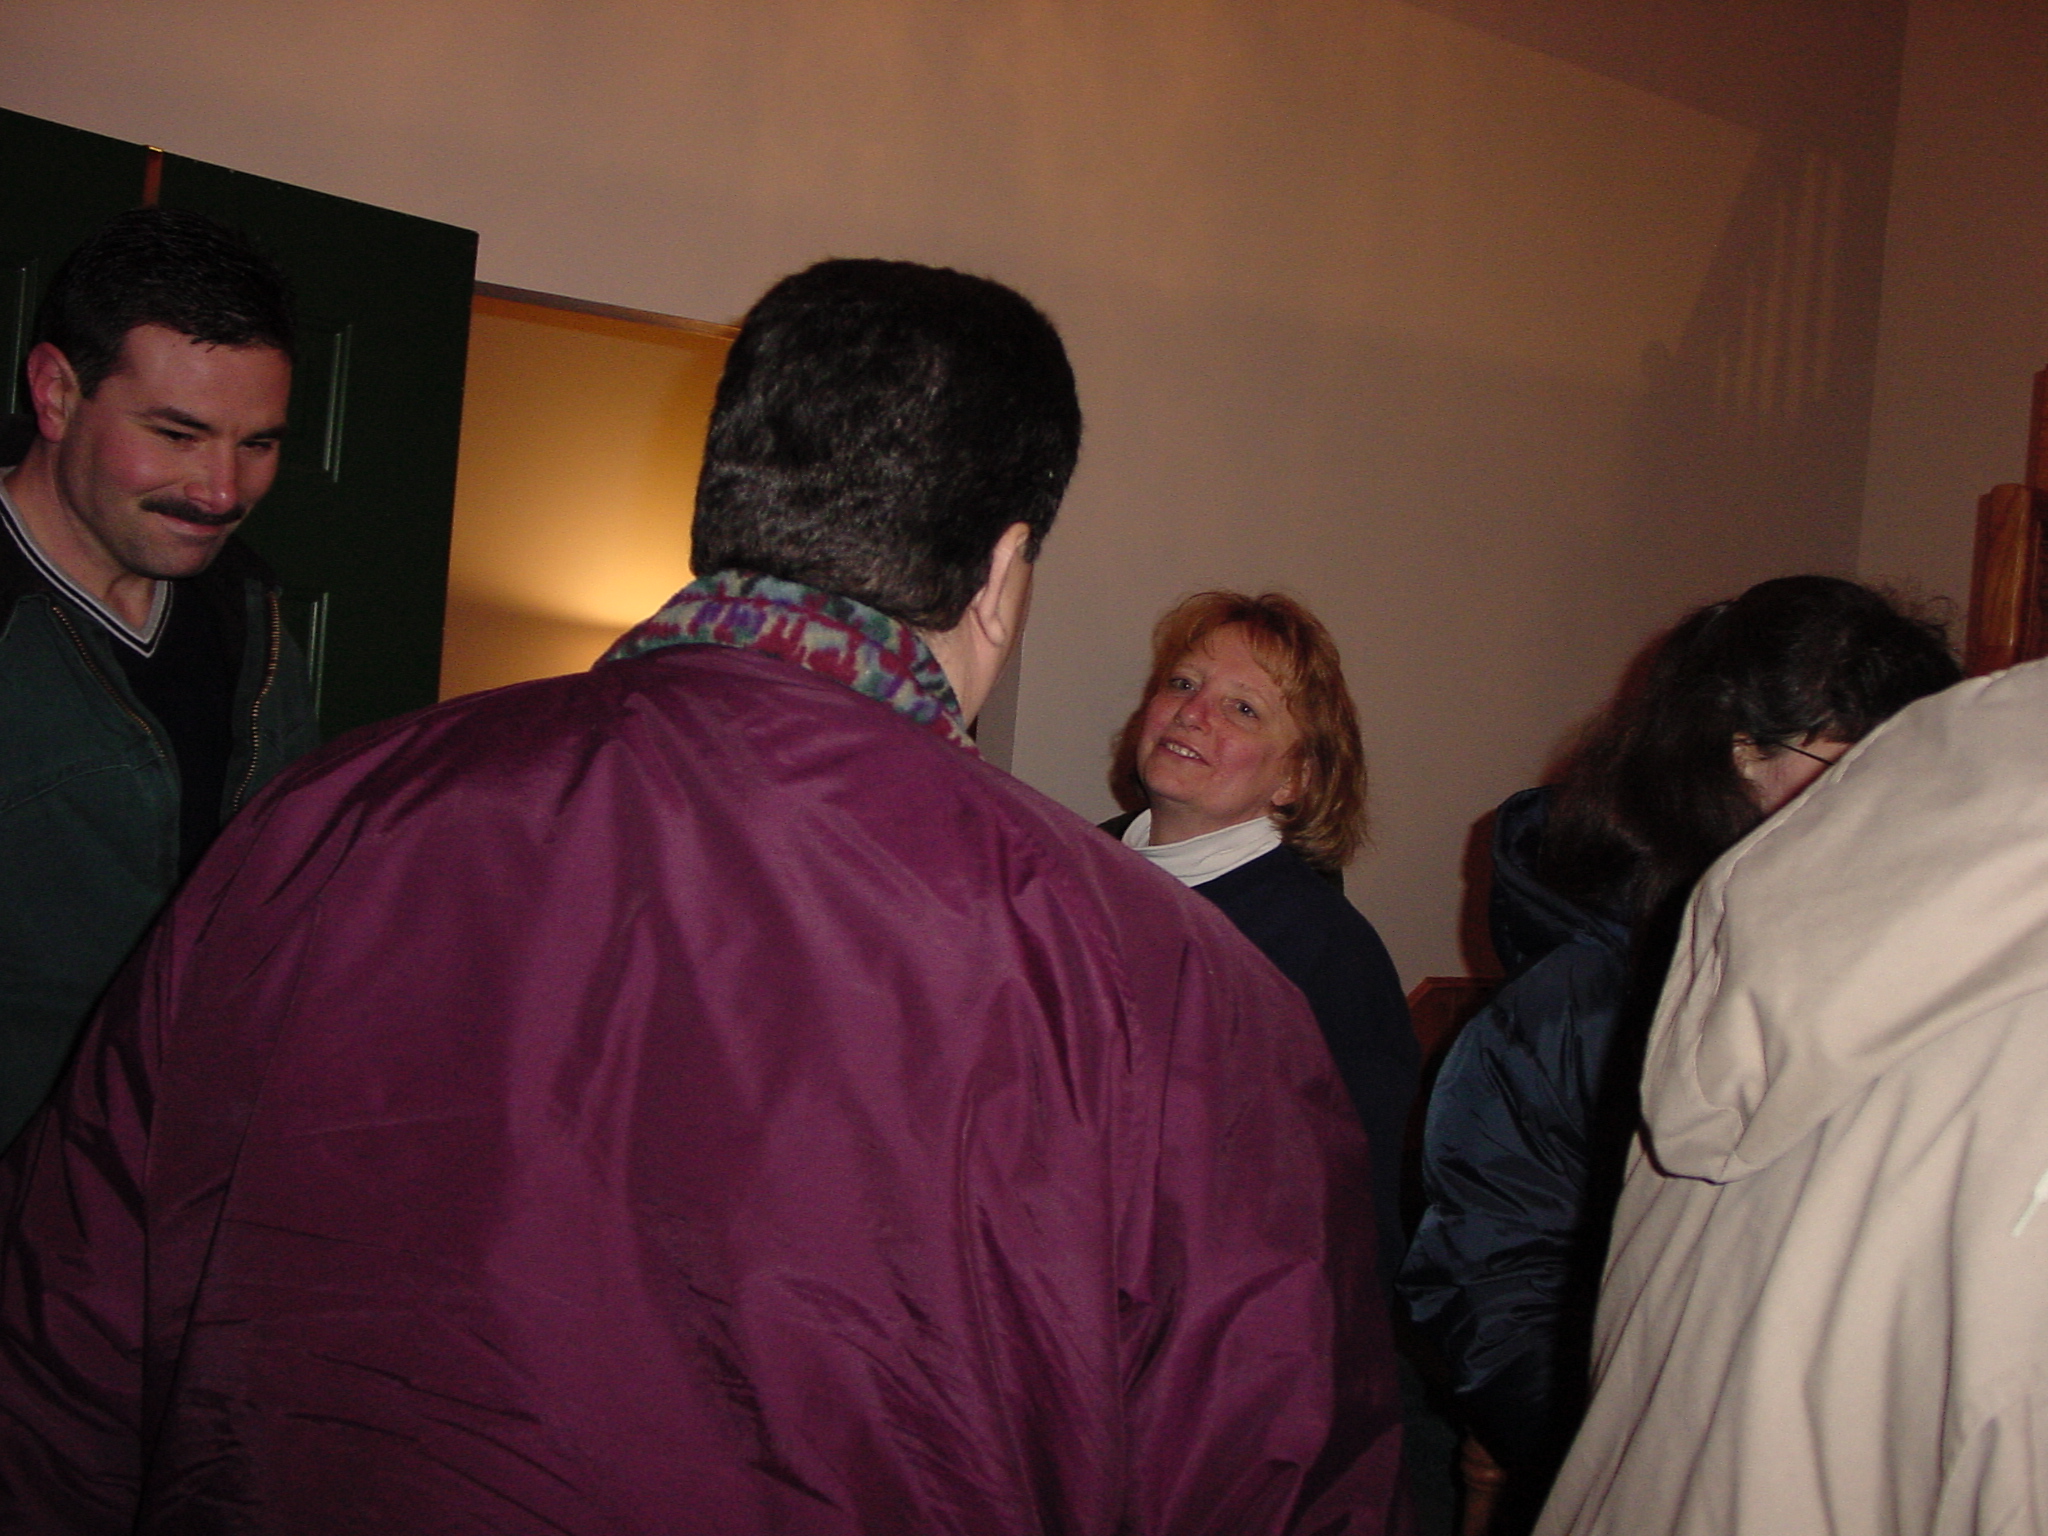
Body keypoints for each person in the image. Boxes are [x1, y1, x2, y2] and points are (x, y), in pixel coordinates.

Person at [0, 259, 1405, 1534]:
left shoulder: (328, 818)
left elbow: (63, 1348)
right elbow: (1269, 1473)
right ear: (1001, 574)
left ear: (722, 505)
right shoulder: (1176, 996)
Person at [1399, 576, 1961, 1532]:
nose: (1885, 809)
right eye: (1846, 767)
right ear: (1729, 761)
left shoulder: (1926, 963)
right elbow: (1496, 1295)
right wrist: (1663, 1458)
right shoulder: (1572, 1014)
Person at [1535, 654, 2044, 1536]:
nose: (1844, 790)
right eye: (1835, 757)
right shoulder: (1599, 995)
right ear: (1735, 756)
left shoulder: (1747, 941)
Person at [0, 207, 317, 1148]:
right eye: (177, 434)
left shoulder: (252, 615)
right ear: (56, 394)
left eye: (257, 444)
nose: (222, 491)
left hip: (156, 1172)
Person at [1102, 591, 1416, 1290]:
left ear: (1295, 780)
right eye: (1183, 682)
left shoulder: (1325, 955)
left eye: (1243, 709)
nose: (1193, 712)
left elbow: (1339, 1227)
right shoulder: (1064, 870)